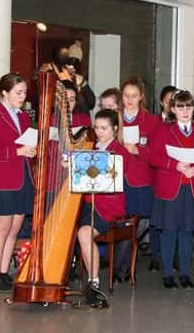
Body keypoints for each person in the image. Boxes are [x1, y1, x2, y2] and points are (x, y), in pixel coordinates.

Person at [0, 73, 35, 293]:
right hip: (0, 181)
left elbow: (24, 143)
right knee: (1, 228)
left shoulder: (22, 117)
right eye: (18, 92)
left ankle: (4, 272)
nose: (23, 97)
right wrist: (17, 150)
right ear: (4, 92)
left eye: (24, 92)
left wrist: (30, 149)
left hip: (21, 178)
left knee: (14, 228)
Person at [149, 90, 194, 289]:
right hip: (170, 188)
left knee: (187, 233)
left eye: (188, 107)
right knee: (170, 231)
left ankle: (184, 272)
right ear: (172, 109)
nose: (185, 111)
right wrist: (175, 166)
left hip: (192, 188)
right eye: (180, 107)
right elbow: (152, 157)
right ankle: (167, 274)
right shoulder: (164, 130)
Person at [76, 109, 126, 308]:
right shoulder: (90, 148)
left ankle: (93, 282)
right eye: (96, 127)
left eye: (104, 128)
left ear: (115, 129)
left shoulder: (119, 151)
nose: (99, 132)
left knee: (83, 233)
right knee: (82, 233)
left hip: (108, 207)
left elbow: (112, 182)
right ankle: (92, 281)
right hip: (90, 205)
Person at [119, 77, 160, 274]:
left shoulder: (151, 121)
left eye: (134, 96)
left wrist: (138, 150)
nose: (129, 100)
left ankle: (126, 265)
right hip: (117, 177)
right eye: (126, 96)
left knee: (136, 222)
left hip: (140, 178)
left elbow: (156, 153)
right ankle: (121, 265)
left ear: (141, 97)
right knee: (120, 222)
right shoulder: (114, 117)